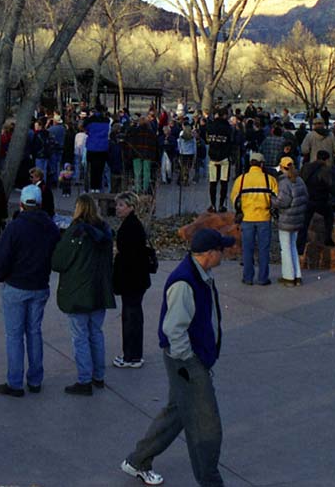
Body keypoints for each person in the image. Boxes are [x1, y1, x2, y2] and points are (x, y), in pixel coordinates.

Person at [122, 228, 234, 487]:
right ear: (209, 254)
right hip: (187, 362)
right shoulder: (185, 282)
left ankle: (138, 460)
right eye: (222, 250)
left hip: (191, 359)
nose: (225, 253)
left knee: (178, 412)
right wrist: (189, 362)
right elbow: (173, 330)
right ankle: (211, 481)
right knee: (207, 425)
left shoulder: (201, 273)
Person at [0, 185, 61, 397]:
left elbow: (1, 258)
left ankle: (15, 382)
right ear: (39, 204)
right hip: (39, 285)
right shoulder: (50, 227)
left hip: (16, 286)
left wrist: (1, 276)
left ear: (22, 204)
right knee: (34, 332)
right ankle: (35, 379)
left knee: (14, 336)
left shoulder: (15, 227)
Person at [52, 195, 115, 395]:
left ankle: (85, 379)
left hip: (79, 291)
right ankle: (98, 376)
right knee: (96, 333)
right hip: (100, 290)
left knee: (80, 337)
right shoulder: (105, 231)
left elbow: (58, 261)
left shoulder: (77, 231)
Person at [112, 191, 154, 368]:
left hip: (132, 278)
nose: (117, 208)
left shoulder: (131, 227)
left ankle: (131, 355)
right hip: (136, 278)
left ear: (130, 207)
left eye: (121, 205)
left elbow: (130, 255)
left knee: (131, 317)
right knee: (133, 315)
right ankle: (133, 354)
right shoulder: (133, 225)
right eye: (117, 205)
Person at [231, 152, 278, 286]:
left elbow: (234, 198)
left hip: (247, 218)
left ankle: (248, 277)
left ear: (251, 163)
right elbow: (276, 199)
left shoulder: (241, 179)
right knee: (264, 249)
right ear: (262, 164)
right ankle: (263, 278)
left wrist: (240, 210)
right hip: (264, 217)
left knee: (247, 249)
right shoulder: (270, 179)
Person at [273, 157, 308, 287]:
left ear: (282, 167)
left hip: (286, 219)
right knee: (293, 246)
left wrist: (271, 200)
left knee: (285, 248)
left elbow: (283, 201)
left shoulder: (284, 182)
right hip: (297, 219)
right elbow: (305, 197)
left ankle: (288, 276)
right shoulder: (299, 180)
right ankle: (297, 275)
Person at [299, 150, 335, 250]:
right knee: (329, 216)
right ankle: (327, 238)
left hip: (306, 198)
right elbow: (330, 185)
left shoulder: (306, 166)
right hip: (320, 200)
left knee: (304, 223)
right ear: (327, 159)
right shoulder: (326, 170)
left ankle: (300, 246)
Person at [203, 112, 233, 212]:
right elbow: (231, 141)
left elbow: (205, 136)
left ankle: (212, 205)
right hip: (224, 158)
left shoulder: (210, 126)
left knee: (213, 183)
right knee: (224, 183)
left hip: (213, 158)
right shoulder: (227, 127)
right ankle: (221, 205)